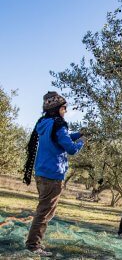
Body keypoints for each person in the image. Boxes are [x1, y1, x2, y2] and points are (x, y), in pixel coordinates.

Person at [23, 91, 85, 257]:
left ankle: (34, 241)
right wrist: (82, 143)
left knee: (45, 211)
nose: (65, 111)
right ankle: (33, 245)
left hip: (42, 173)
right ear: (58, 108)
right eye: (64, 108)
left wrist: (78, 134)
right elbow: (70, 148)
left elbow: (59, 138)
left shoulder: (45, 122)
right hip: (52, 175)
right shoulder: (59, 124)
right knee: (44, 212)